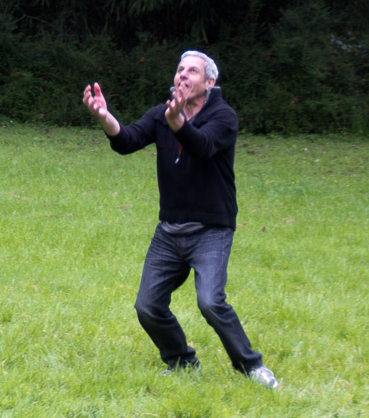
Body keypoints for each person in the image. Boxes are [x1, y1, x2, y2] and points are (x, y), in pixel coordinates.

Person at [82, 51, 278, 389]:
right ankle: (182, 362)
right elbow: (127, 141)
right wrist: (105, 116)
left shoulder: (224, 116)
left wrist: (178, 123)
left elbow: (202, 146)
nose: (183, 75)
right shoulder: (163, 114)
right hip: (169, 231)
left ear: (209, 82)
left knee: (210, 302)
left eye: (193, 71)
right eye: (180, 69)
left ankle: (252, 366)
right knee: (147, 305)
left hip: (211, 229)